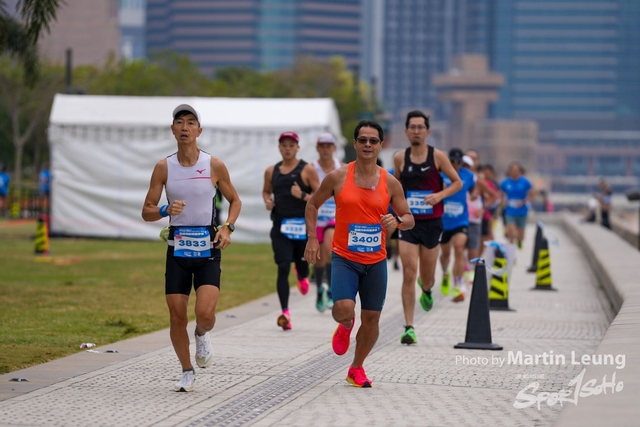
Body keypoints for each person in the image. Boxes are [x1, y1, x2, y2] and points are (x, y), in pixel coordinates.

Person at [304, 119, 414, 388]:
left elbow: (410, 217)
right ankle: (345, 325)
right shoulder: (338, 177)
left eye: (373, 141)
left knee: (372, 319)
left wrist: (398, 221)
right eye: (362, 140)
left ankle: (356, 367)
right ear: (354, 143)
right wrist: (312, 239)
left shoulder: (390, 182)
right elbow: (312, 205)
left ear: (381, 145)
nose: (367, 144)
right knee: (343, 309)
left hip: (376, 261)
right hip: (345, 258)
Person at [142, 104, 242, 392]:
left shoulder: (214, 165)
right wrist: (165, 209)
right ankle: (187, 371)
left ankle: (201, 333)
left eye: (190, 122)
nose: (184, 127)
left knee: (206, 314)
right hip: (178, 249)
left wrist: (228, 227)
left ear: (199, 130)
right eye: (179, 122)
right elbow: (147, 211)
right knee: (176, 315)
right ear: (172, 129)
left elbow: (235, 201)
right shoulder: (163, 167)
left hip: (208, 248)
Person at [393, 110, 461, 345]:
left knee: (427, 276)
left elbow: (457, 183)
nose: (416, 131)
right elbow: (396, 185)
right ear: (406, 131)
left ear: (427, 131)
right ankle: (409, 327)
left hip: (432, 223)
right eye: (412, 127)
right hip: (408, 223)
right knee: (409, 272)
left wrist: (439, 196)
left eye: (420, 127)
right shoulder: (400, 158)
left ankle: (428, 289)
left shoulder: (438, 157)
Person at [263, 131, 320, 330]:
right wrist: (268, 201)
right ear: (279, 148)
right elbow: (266, 191)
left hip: (303, 228)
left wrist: (302, 195)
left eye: (291, 145)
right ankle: (285, 313)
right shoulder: (271, 171)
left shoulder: (307, 170)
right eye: (284, 145)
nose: (287, 148)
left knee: (303, 268)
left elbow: (320, 197)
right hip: (280, 227)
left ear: (297, 147)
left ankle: (302, 274)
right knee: (283, 267)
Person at [439, 148, 478, 303]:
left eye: (458, 162)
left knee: (459, 249)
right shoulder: (441, 174)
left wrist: (474, 195)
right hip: (443, 221)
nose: (455, 164)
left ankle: (458, 284)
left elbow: (474, 190)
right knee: (446, 254)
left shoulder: (468, 175)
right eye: (452, 161)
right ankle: (445, 273)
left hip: (461, 220)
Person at [311, 132, 344, 312]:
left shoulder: (342, 167)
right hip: (317, 218)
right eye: (322, 146)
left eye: (328, 146)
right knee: (319, 258)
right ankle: (319, 289)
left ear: (334, 148)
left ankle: (331, 290)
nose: (325, 149)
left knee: (330, 250)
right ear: (317, 148)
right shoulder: (311, 169)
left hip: (333, 216)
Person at [462, 151, 498, 284]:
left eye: (474, 159)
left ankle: (472, 269)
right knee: (459, 246)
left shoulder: (478, 179)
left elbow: (493, 195)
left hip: (476, 219)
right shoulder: (456, 176)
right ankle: (463, 270)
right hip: (459, 218)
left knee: (476, 246)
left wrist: (483, 208)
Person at [500, 161, 535, 248]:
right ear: (510, 171)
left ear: (519, 171)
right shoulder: (505, 182)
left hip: (522, 211)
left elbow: (532, 193)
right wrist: (503, 201)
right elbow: (500, 194)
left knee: (521, 237)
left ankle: (519, 241)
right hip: (510, 211)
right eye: (513, 170)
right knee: (511, 233)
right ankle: (511, 250)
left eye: (516, 170)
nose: (514, 172)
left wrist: (524, 201)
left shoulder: (525, 181)